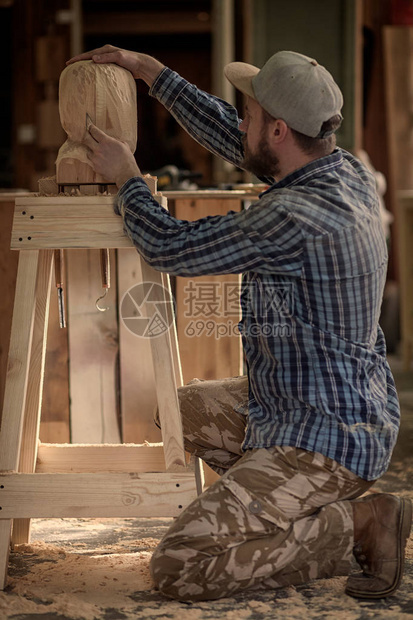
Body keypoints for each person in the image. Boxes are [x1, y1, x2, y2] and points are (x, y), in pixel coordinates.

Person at [67, 45, 412, 602]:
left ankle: (358, 525)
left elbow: (170, 247)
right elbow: (235, 136)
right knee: (179, 414)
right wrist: (153, 73)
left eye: (249, 113)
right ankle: (277, 509)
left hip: (324, 439)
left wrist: (129, 180)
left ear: (278, 130)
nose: (239, 121)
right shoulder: (338, 167)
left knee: (180, 565)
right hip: (305, 403)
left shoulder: (297, 216)